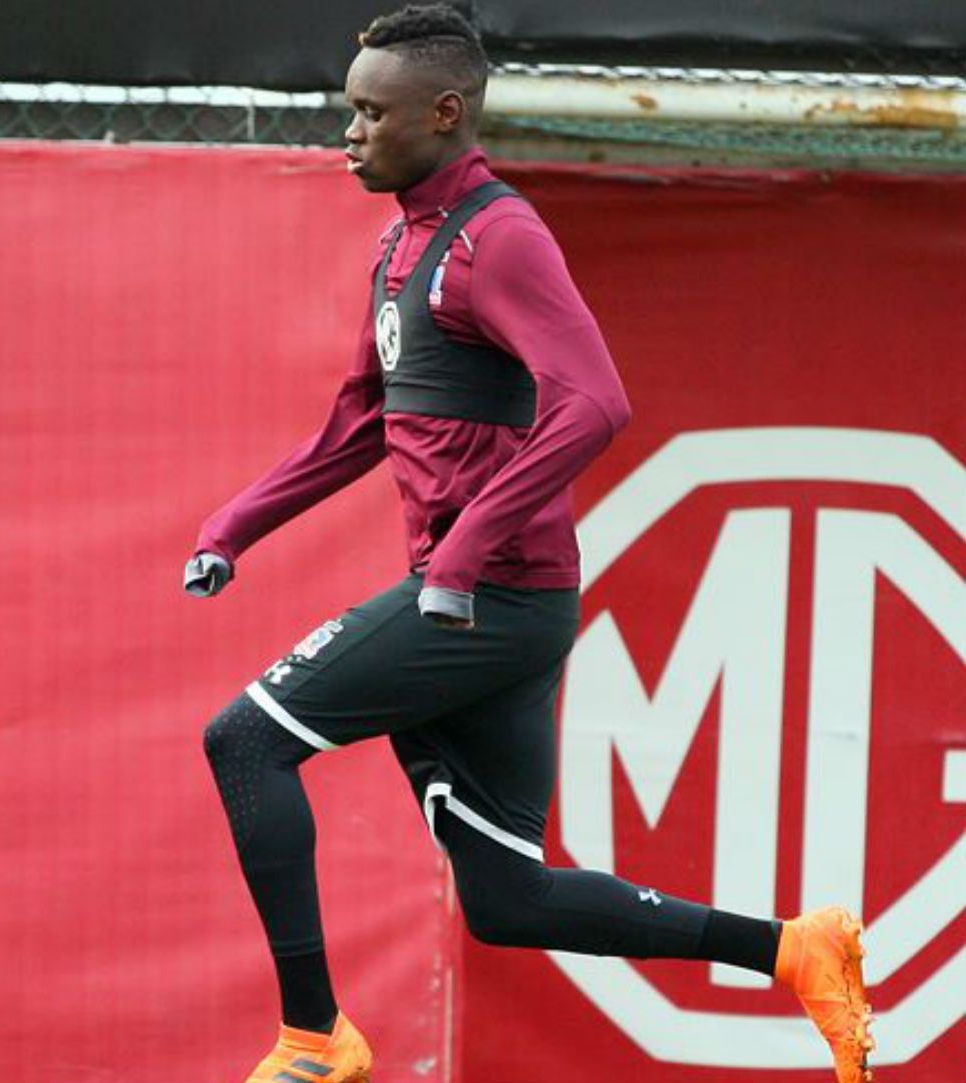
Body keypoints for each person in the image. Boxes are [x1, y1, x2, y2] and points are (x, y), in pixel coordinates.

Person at [184, 6, 872, 1083]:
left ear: (444, 113)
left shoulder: (500, 236)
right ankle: (794, 949)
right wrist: (237, 527)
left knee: (245, 742)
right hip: (491, 601)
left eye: (371, 112)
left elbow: (596, 403)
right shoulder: (403, 239)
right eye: (348, 108)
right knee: (509, 901)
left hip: (488, 603)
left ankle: (314, 1036)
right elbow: (364, 420)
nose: (349, 131)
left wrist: (460, 560)